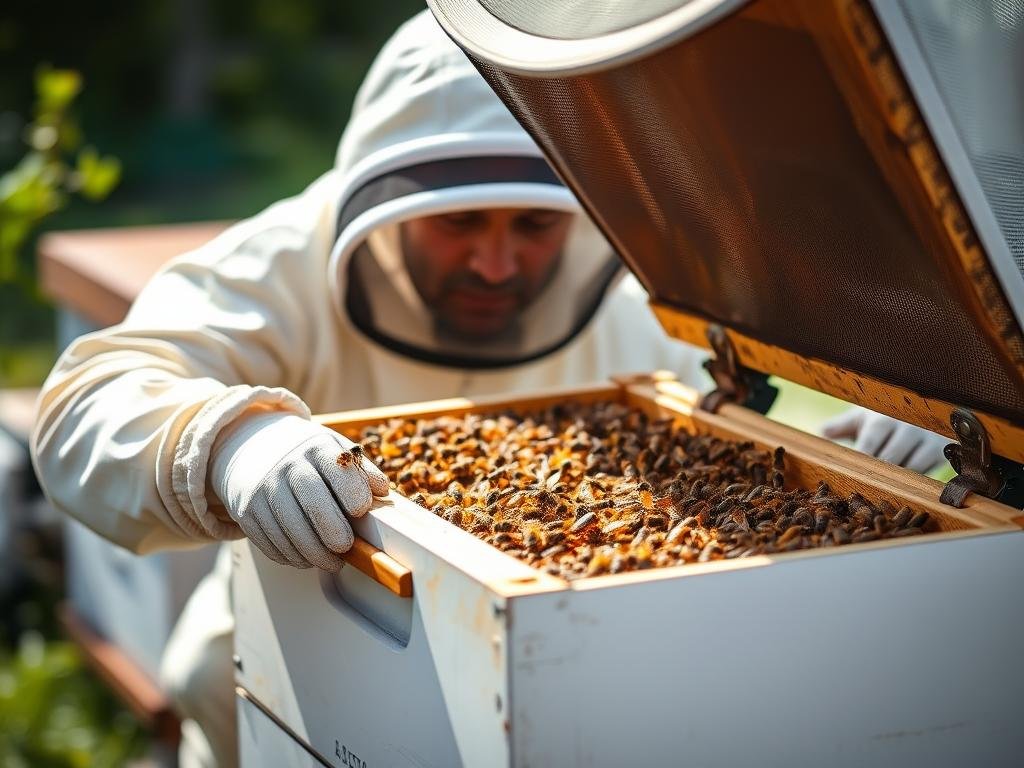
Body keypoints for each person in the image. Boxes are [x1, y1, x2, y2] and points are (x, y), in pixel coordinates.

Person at [29, 10, 947, 767]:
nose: (499, 262)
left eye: (532, 227)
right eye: (461, 222)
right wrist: (233, 443)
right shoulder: (283, 261)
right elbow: (88, 399)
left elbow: (724, 474)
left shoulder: (617, 298)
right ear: (381, 196)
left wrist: (871, 452)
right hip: (263, 714)